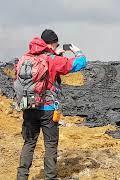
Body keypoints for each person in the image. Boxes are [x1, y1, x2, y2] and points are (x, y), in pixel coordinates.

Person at [16, 29, 87, 180]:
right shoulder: (52, 59)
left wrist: (55, 54)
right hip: (48, 110)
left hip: (28, 106)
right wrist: (77, 51)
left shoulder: (24, 58)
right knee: (50, 146)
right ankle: (50, 177)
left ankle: (21, 177)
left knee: (29, 143)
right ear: (52, 44)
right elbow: (79, 64)